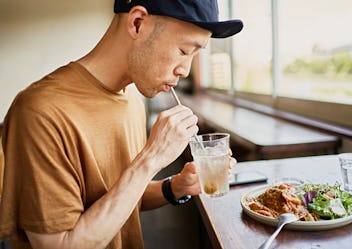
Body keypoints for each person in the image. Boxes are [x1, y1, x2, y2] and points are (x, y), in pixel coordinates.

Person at [0, 0, 243, 248]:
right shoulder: (40, 112)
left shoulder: (131, 98)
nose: (185, 70)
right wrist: (151, 159)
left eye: (195, 54)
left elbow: (117, 195)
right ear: (137, 23)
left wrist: (174, 187)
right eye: (183, 50)